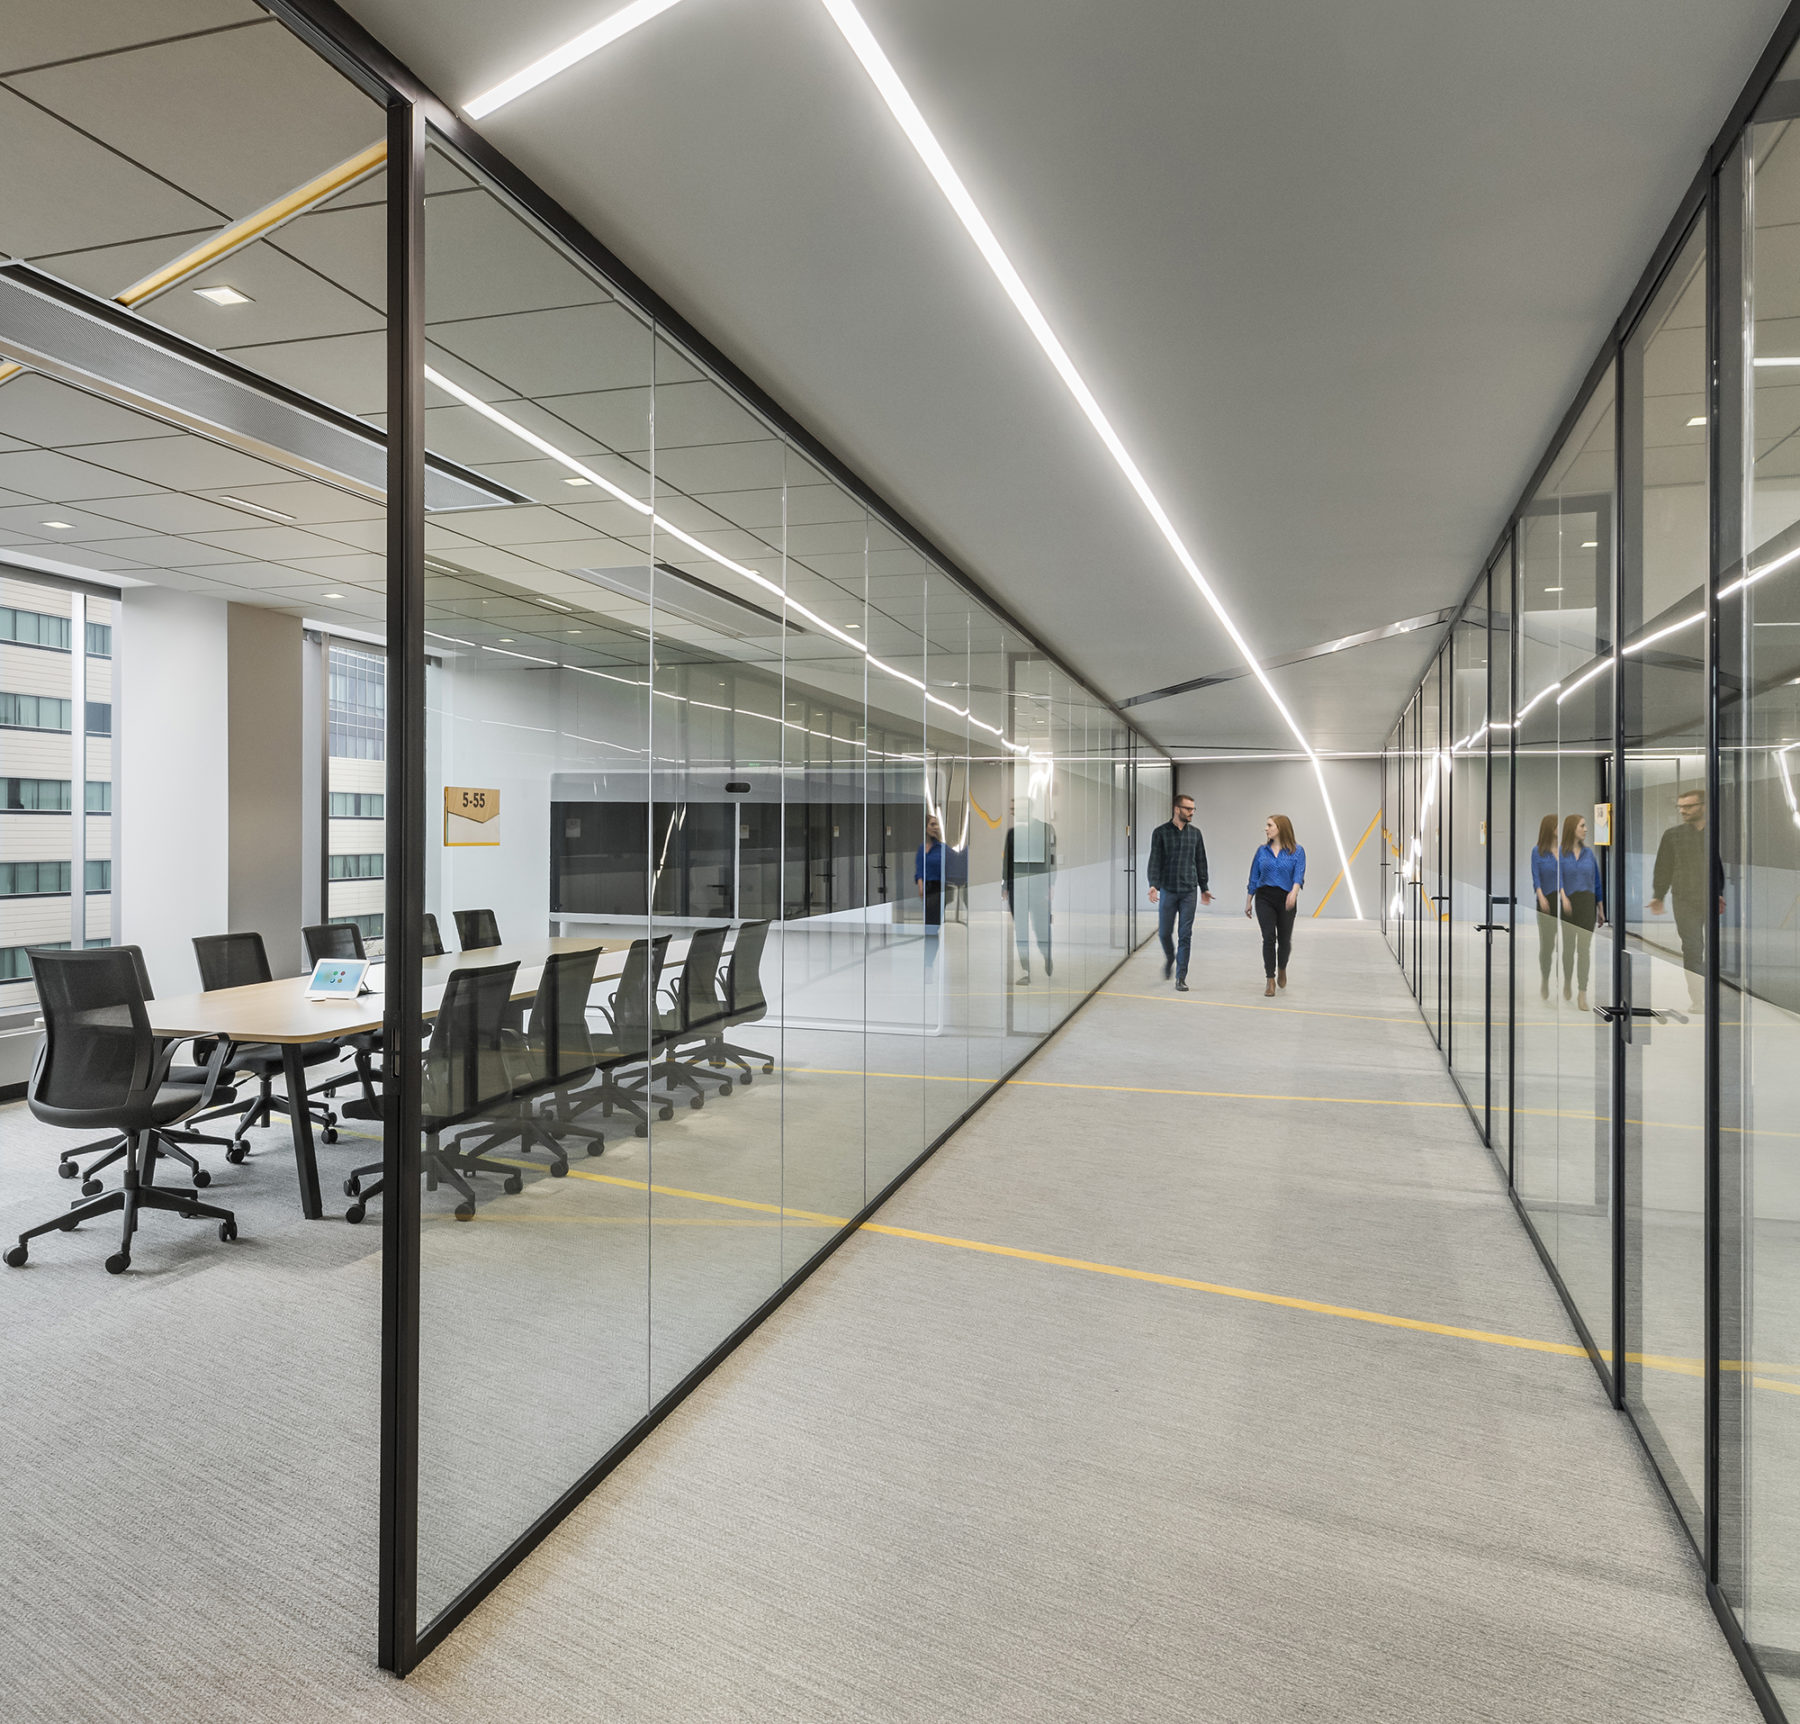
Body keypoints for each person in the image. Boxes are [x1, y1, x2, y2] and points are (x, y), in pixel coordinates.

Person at [1650, 787, 1714, 1012]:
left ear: (1703, 806)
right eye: (1680, 807)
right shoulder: (1673, 835)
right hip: (1685, 900)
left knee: (1716, 948)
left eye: (1688, 806)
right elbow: (1663, 867)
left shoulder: (1717, 832)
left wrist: (1722, 891)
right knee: (1693, 948)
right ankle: (1698, 999)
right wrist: (1658, 895)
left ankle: (1714, 994)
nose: (1683, 811)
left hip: (1713, 899)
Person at [1146, 792, 1212, 991]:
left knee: (1185, 934)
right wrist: (1153, 884)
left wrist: (1204, 887)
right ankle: (1169, 958)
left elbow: (1201, 861)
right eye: (1188, 809)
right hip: (1168, 890)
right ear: (1177, 809)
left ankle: (1180, 977)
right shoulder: (1160, 833)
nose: (1192, 812)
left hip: (1188, 891)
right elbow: (1155, 860)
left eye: (1193, 809)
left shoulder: (1195, 834)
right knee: (1164, 933)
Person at [1245, 814, 1305, 996]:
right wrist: (1249, 900)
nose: (1266, 828)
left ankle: (1282, 968)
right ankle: (1270, 979)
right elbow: (1254, 876)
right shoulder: (1262, 851)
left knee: (1284, 940)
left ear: (1280, 828)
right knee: (1268, 938)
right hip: (1264, 898)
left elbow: (1298, 874)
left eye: (1269, 825)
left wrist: (1293, 893)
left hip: (1286, 898)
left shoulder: (1297, 851)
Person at [1001, 798, 1056, 985]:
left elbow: (1052, 859)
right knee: (1021, 931)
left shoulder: (1045, 829)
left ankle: (1047, 956)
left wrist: (1051, 885)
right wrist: (1005, 886)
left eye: (1016, 808)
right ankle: (1026, 970)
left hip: (1039, 887)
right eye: (1013, 809)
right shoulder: (1013, 834)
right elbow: (1007, 860)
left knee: (1041, 928)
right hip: (1018, 889)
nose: (1013, 812)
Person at [1557, 811, 1605, 1012]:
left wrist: (1601, 908)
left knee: (1584, 949)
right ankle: (1567, 980)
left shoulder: (1589, 854)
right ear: (1572, 829)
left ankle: (1582, 993)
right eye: (1582, 826)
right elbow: (1557, 878)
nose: (1586, 830)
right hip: (1568, 904)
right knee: (1568, 948)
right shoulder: (1561, 853)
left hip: (1587, 903)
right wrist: (1563, 897)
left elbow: (1596, 882)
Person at [1529, 813, 1561, 1002]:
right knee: (1547, 944)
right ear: (1550, 828)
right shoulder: (1537, 851)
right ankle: (1545, 979)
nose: (1560, 829)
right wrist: (1541, 896)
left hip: (1564, 900)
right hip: (1546, 901)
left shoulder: (1565, 851)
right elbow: (1536, 877)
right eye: (1557, 825)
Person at [915, 812, 946, 929]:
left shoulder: (942, 848)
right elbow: (919, 870)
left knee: (934, 924)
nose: (936, 827)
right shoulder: (921, 848)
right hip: (927, 889)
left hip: (938, 888)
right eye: (932, 824)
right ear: (925, 827)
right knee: (928, 924)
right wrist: (920, 886)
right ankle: (929, 946)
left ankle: (932, 945)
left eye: (937, 825)